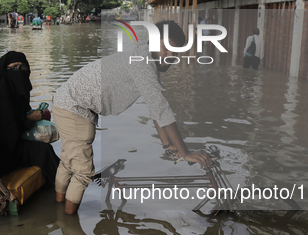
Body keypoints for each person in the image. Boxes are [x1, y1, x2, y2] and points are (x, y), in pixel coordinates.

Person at [52, 20, 212, 214]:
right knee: (84, 172)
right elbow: (161, 110)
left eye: (175, 52)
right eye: (165, 48)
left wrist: (168, 145)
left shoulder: (144, 59)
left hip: (67, 101)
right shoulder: (144, 64)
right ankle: (68, 225)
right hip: (74, 106)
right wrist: (185, 152)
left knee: (68, 161)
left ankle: (58, 210)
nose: (170, 56)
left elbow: (156, 108)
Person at [0, 51, 60, 183]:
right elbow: (4, 133)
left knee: (43, 145)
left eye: (22, 67)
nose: (19, 71)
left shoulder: (17, 90)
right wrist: (29, 120)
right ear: (5, 70)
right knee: (43, 150)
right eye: (13, 68)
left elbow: (18, 117)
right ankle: (63, 185)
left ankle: (63, 180)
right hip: (4, 150)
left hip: (17, 141)